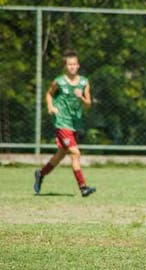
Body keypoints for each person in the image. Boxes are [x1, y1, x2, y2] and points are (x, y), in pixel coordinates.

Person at [33, 50, 96, 197]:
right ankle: (83, 187)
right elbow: (49, 94)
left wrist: (81, 98)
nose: (72, 67)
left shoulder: (84, 82)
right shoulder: (59, 81)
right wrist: (50, 107)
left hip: (74, 123)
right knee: (75, 153)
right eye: (69, 64)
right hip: (61, 122)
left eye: (74, 64)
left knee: (61, 154)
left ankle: (40, 174)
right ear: (65, 66)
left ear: (78, 65)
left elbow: (88, 104)